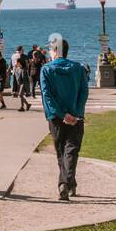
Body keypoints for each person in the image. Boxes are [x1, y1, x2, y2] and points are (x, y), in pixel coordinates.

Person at [39, 35, 88, 201]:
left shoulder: (46, 69)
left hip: (56, 118)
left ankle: (64, 184)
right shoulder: (79, 68)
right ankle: (69, 183)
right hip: (75, 116)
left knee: (62, 151)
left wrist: (61, 114)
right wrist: (76, 113)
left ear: (55, 51)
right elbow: (83, 93)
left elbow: (47, 95)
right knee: (71, 151)